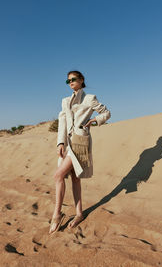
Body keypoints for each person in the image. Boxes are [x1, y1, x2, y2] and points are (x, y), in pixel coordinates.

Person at [49, 70, 111, 234]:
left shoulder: (90, 98)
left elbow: (106, 112)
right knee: (75, 179)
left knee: (58, 175)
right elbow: (62, 122)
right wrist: (60, 142)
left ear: (82, 80)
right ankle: (79, 214)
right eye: (68, 80)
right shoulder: (65, 101)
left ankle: (57, 214)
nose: (70, 82)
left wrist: (95, 120)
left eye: (74, 79)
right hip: (68, 144)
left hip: (80, 142)